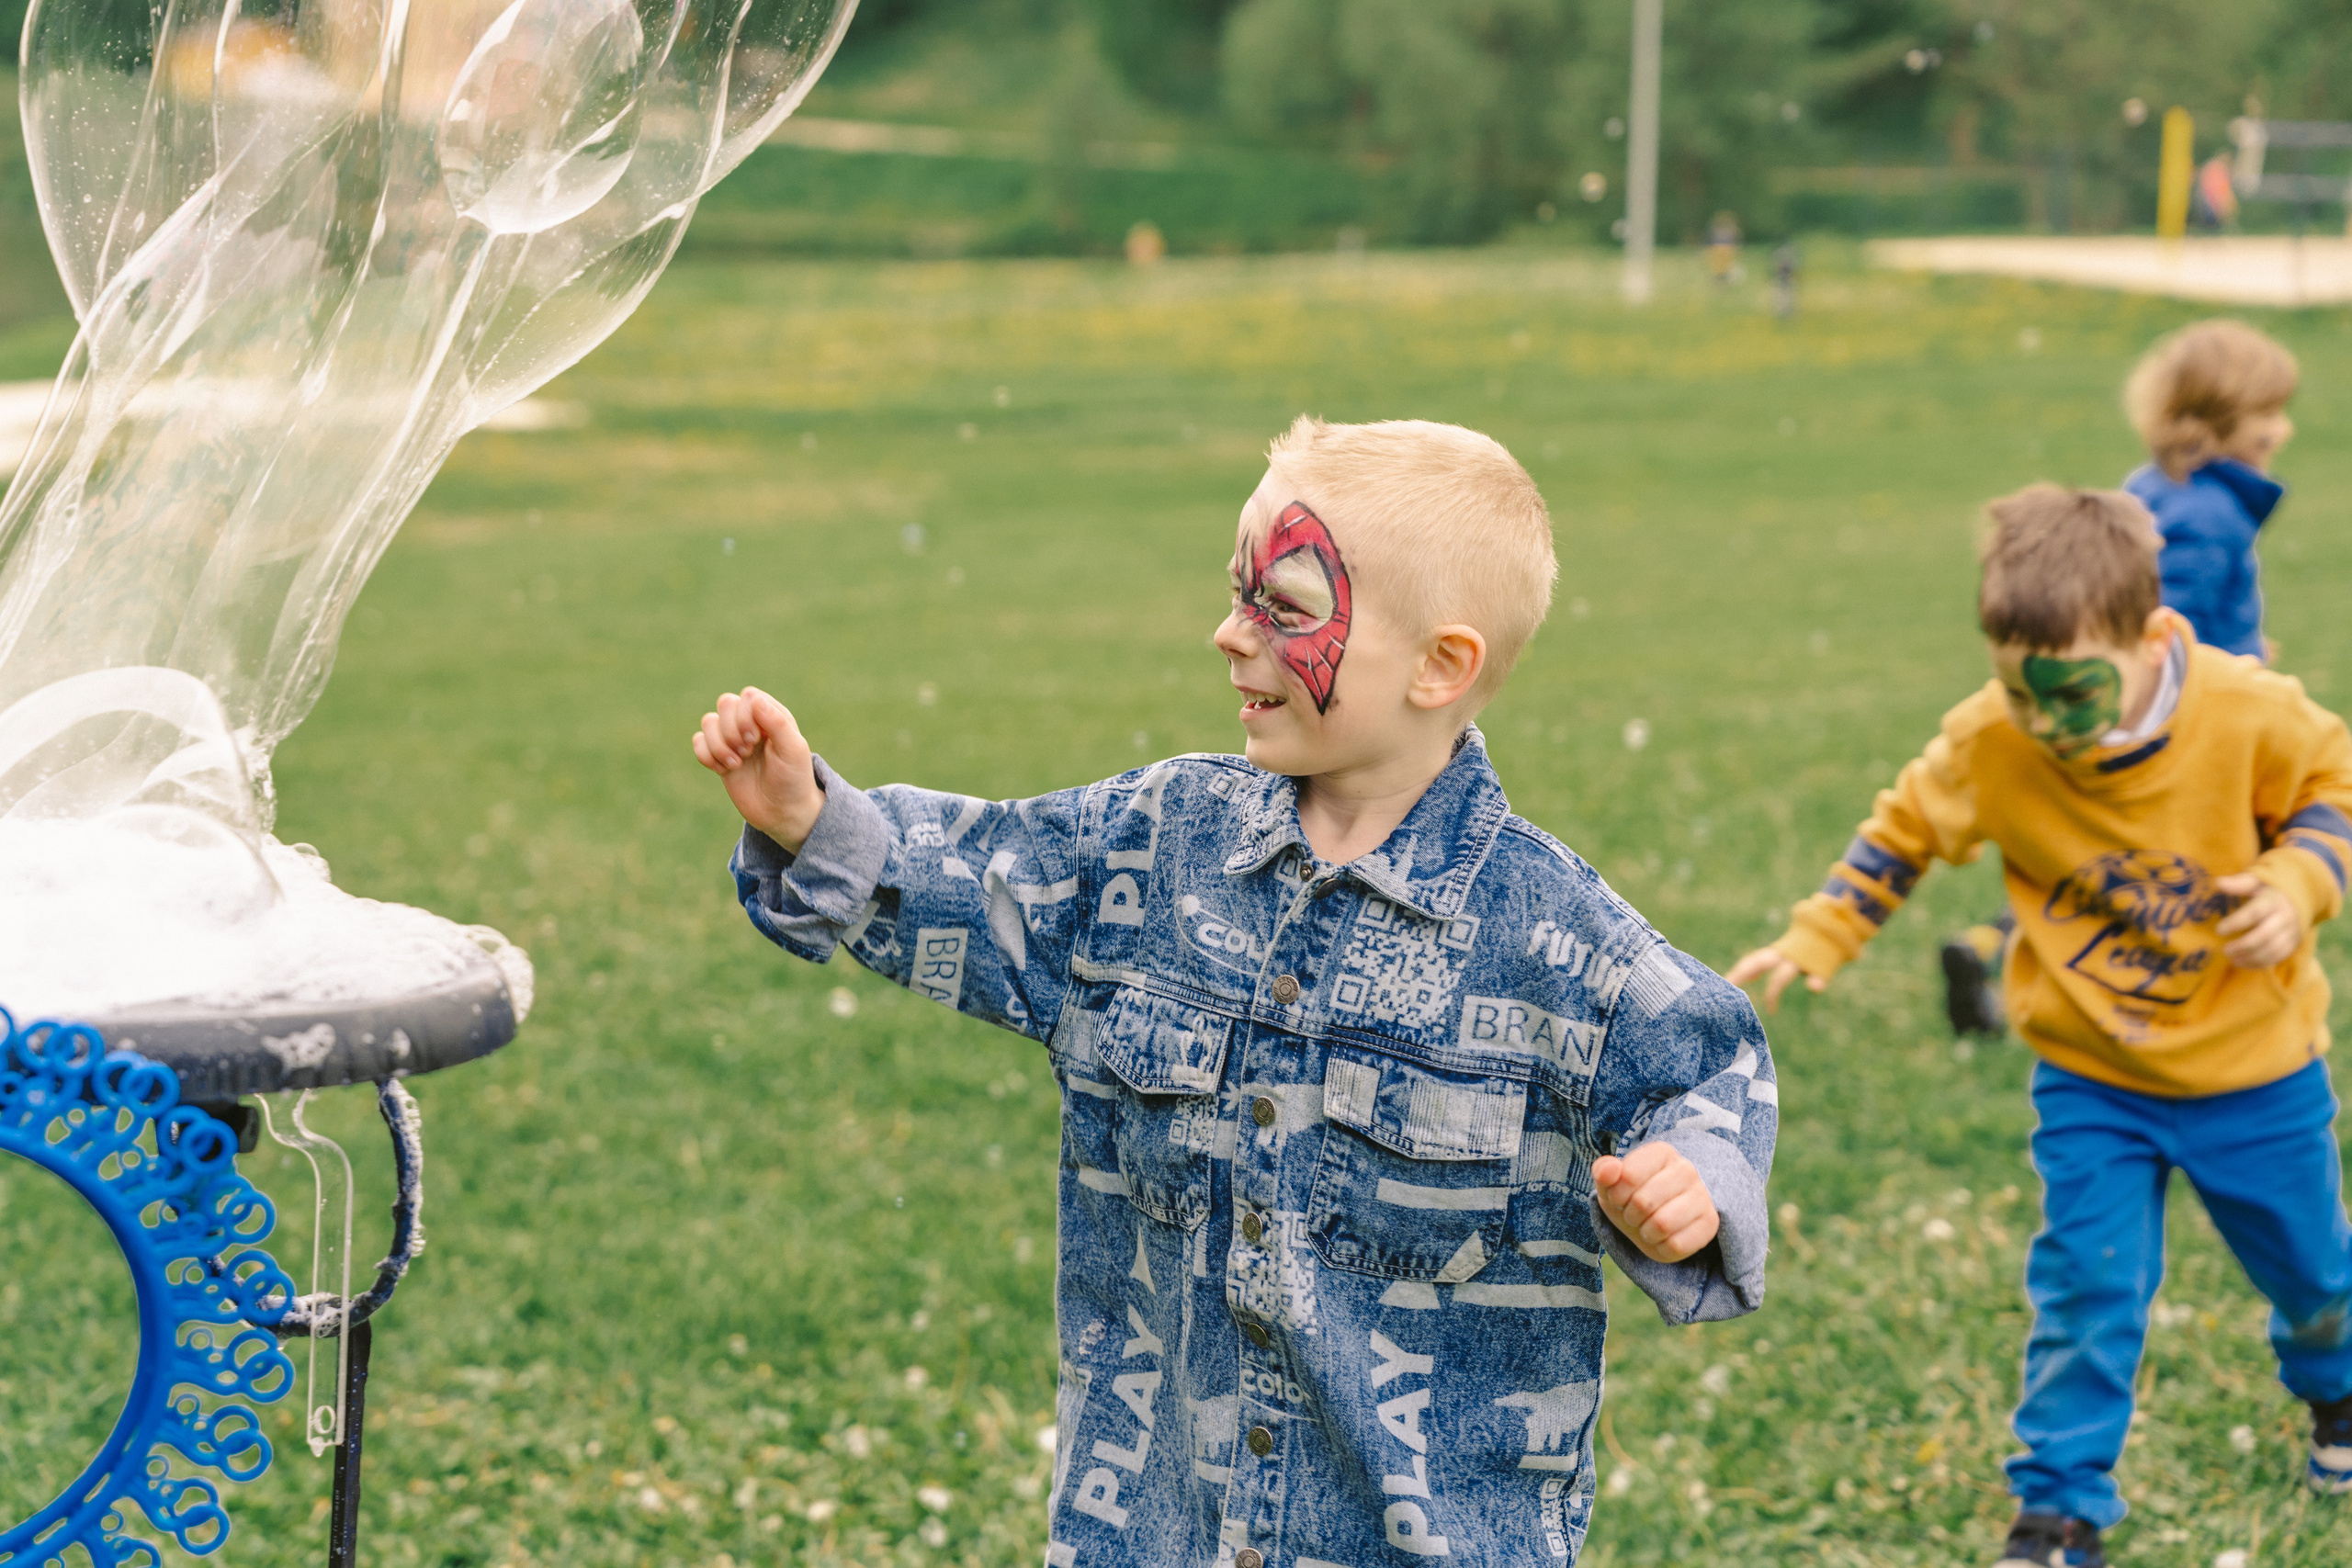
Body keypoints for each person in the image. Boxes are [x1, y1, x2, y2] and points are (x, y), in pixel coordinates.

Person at [695, 417, 1777, 1565]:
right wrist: (814, 823)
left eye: (1287, 607)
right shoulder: (1156, 845)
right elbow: (990, 883)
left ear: (1438, 666)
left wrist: (1692, 1177)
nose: (1230, 634)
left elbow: (1707, 1064)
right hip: (1154, 1529)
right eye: (1236, 593)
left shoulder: (1552, 937)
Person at [1729, 484, 2352, 1567]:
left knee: (2313, 1277)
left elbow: (2333, 791)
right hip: (2091, 1078)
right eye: (2023, 696)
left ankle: (2337, 1395)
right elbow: (1905, 830)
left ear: (2154, 636)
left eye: (2072, 695)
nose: (2048, 727)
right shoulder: (1993, 740)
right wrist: (1817, 934)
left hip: (2252, 1073)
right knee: (2087, 1284)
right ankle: (2058, 1513)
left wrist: (2299, 881)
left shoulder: (2250, 712)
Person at [1941, 321, 2298, 1034]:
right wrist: (2235, 673)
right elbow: (2168, 625)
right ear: (2219, 422)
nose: (2282, 430)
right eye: (2268, 414)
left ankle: (1989, 945)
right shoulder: (2214, 514)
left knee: (2101, 859)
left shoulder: (2151, 487)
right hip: (2188, 725)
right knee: (2188, 862)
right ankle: (2181, 987)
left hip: (2144, 712)